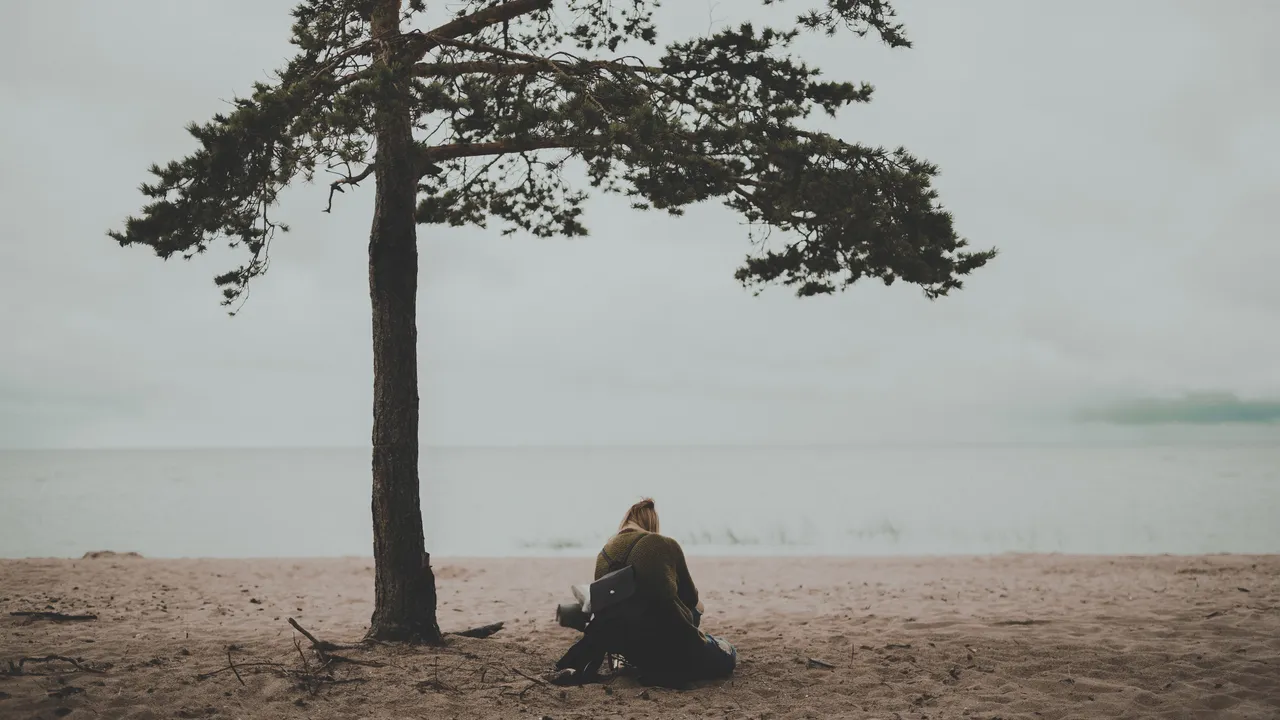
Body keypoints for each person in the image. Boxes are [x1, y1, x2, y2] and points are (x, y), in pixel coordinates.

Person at [555, 498, 737, 687]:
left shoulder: (604, 555)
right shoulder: (663, 544)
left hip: (636, 651)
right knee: (728, 651)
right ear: (651, 523)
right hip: (673, 644)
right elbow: (690, 600)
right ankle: (707, 646)